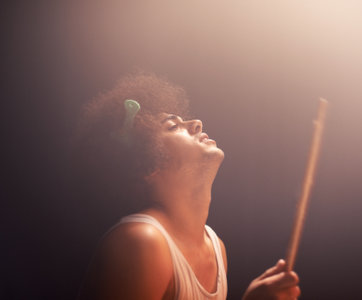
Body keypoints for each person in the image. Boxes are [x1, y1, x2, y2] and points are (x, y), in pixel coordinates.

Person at [74, 72, 300, 300]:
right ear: (147, 164)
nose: (196, 123)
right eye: (173, 126)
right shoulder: (141, 242)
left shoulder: (215, 246)